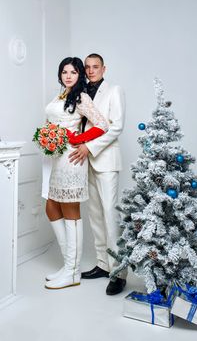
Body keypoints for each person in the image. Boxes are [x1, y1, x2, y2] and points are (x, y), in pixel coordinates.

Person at [43, 57, 108, 290]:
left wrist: (77, 139)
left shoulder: (81, 97)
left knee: (70, 210)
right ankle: (68, 265)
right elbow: (53, 123)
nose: (68, 75)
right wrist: (47, 139)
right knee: (51, 206)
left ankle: (72, 272)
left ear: (80, 74)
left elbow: (102, 124)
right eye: (64, 71)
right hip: (55, 159)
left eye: (73, 72)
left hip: (71, 160)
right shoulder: (61, 95)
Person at [69, 53, 127, 295]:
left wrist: (89, 147)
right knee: (95, 216)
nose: (91, 71)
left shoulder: (114, 90)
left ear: (104, 68)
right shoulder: (82, 93)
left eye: (95, 67)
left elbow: (116, 126)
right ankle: (103, 265)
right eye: (88, 67)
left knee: (110, 216)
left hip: (105, 160)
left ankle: (119, 272)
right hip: (87, 163)